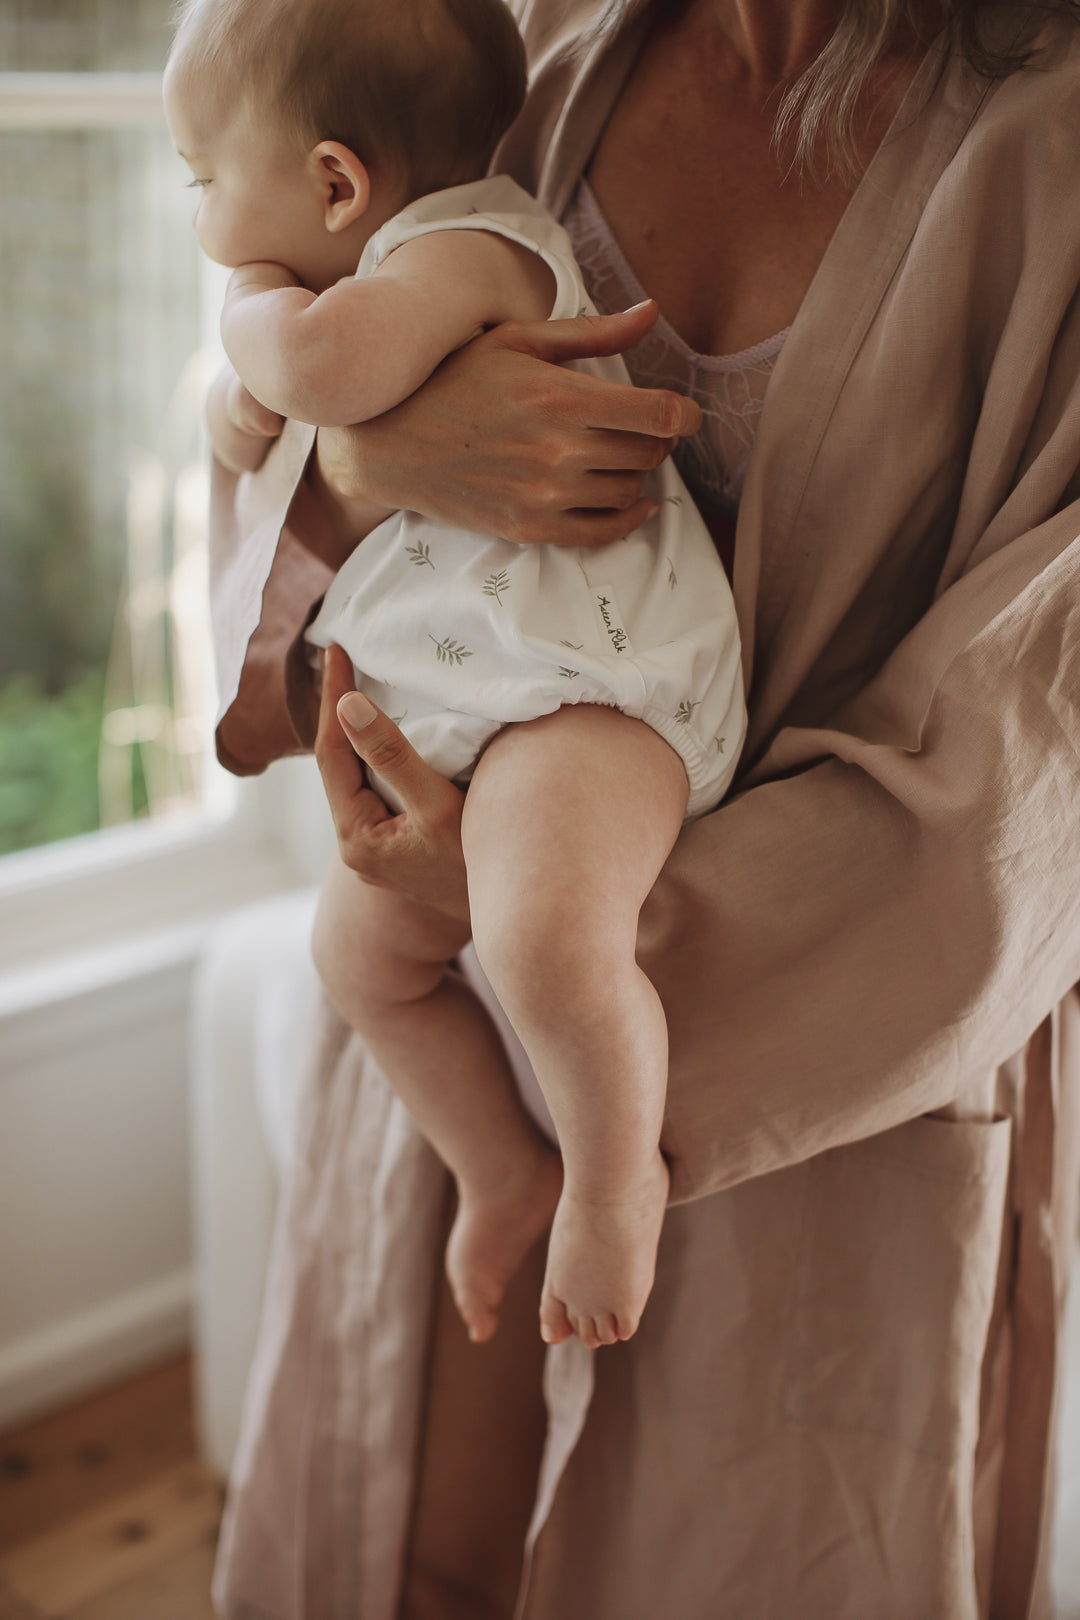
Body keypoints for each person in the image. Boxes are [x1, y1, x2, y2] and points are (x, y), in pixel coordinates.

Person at [208, 0, 1080, 1615]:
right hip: (456, 1071)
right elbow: (275, 509)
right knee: (402, 1553)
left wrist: (547, 915)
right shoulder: (507, 53)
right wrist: (370, 470)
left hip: (821, 1087)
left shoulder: (1052, 145)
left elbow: (1031, 789)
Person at [166, 0, 745, 1353]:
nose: (202, 223)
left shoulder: (470, 244)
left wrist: (249, 317)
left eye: (206, 184)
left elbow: (315, 370)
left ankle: (616, 1184)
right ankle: (501, 1162)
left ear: (333, 183)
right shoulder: (382, 264)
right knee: (358, 960)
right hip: (489, 713)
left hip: (591, 693)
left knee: (547, 938)